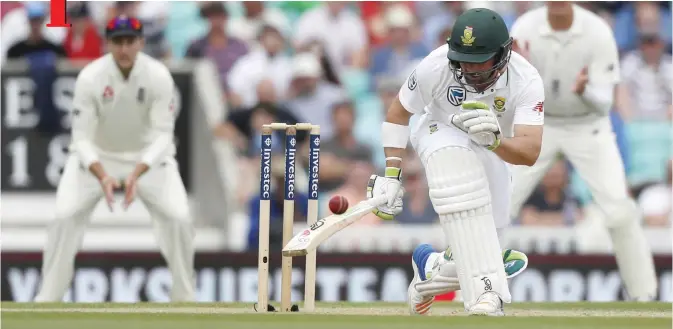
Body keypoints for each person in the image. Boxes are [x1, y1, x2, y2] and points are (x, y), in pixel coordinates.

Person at [366, 8, 543, 316]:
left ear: (503, 54)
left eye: (479, 61)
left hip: (492, 143)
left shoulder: (526, 79)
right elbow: (398, 114)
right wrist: (392, 175)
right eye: (463, 59)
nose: (469, 69)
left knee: (488, 235)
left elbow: (529, 152)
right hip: (439, 129)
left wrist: (497, 142)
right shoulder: (434, 66)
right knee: (459, 180)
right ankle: (488, 294)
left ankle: (430, 270)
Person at [33, 15, 195, 302]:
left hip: (148, 161)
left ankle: (184, 296)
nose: (123, 49)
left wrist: (138, 172)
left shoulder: (158, 76)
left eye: (130, 41)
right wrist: (103, 174)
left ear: (141, 42)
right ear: (107, 43)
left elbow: (163, 135)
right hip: (97, 160)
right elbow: (80, 138)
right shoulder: (90, 77)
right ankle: (47, 298)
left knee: (179, 216)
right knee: (63, 216)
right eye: (117, 42)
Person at [510, 1, 657, 301]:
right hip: (541, 121)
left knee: (619, 211)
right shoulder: (524, 28)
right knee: (500, 203)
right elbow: (510, 92)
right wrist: (520, 70)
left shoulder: (597, 32)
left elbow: (604, 102)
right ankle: (469, 287)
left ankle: (645, 297)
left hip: (588, 124)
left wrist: (583, 90)